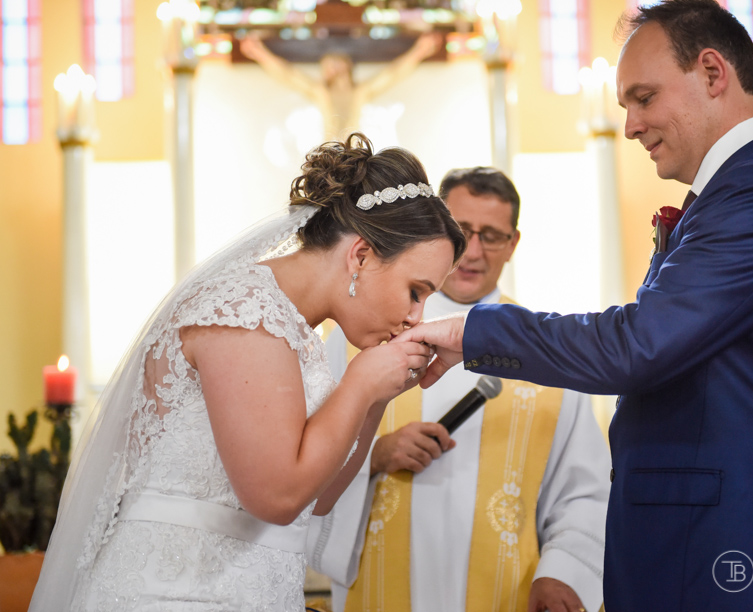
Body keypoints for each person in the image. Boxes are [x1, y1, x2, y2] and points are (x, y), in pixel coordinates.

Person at [396, 1, 753, 610]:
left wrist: (470, 333)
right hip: (700, 545)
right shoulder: (738, 193)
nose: (632, 125)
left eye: (644, 97)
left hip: (733, 549)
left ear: (713, 73)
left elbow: (641, 344)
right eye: (625, 106)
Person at [28, 133, 466, 611]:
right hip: (172, 595)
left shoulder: (294, 330)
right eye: (416, 291)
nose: (416, 318)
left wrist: (377, 395)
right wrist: (359, 384)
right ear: (360, 255)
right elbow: (277, 498)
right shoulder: (244, 310)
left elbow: (316, 499)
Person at [306, 167, 609, 612]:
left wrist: (564, 573)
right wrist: (375, 455)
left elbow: (585, 492)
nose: (474, 251)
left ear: (514, 243)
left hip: (506, 592)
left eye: (493, 235)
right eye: (462, 231)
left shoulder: (545, 347)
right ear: (438, 231)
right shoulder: (362, 331)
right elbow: (299, 458)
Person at [240, 33, 440, 141]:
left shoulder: (360, 92)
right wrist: (259, 53)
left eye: (334, 61)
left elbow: (392, 74)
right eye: (325, 64)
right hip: (329, 155)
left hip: (355, 155)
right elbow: (288, 75)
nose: (328, 67)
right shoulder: (321, 92)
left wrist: (419, 51)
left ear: (346, 65)